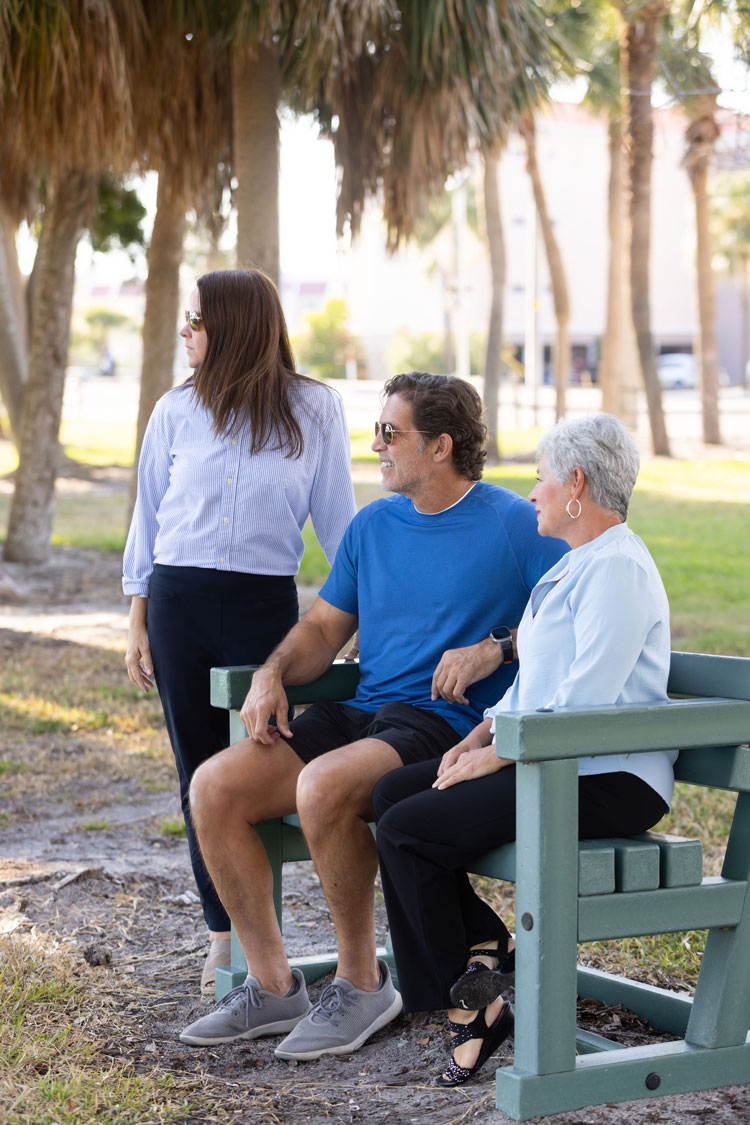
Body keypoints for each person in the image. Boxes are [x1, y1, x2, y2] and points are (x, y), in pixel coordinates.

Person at [179, 372, 568, 1057]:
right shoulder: (372, 525)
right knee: (213, 787)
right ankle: (273, 987)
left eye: (391, 432)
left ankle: (363, 983)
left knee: (322, 785)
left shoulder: (513, 523)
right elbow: (325, 629)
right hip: (361, 709)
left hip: (442, 723)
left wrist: (496, 646)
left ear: (440, 445)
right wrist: (271, 673)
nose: (375, 445)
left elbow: (576, 608)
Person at [372, 412, 674, 1088]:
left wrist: (496, 756)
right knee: (390, 793)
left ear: (576, 485)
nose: (531, 492)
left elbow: (583, 699)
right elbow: (537, 685)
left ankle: (470, 1006)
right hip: (554, 760)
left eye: (540, 479)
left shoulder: (619, 567)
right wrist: (475, 737)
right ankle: (484, 947)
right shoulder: (575, 566)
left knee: (407, 828)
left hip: (607, 774)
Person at [123, 268, 356, 993]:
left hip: (262, 608)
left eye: (196, 321)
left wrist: (361, 619)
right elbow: (148, 517)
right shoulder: (174, 409)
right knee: (196, 765)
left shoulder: (314, 408)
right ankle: (226, 935)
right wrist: (137, 616)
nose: (186, 333)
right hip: (177, 601)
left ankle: (273, 934)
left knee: (261, 760)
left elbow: (342, 524)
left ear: (234, 326)